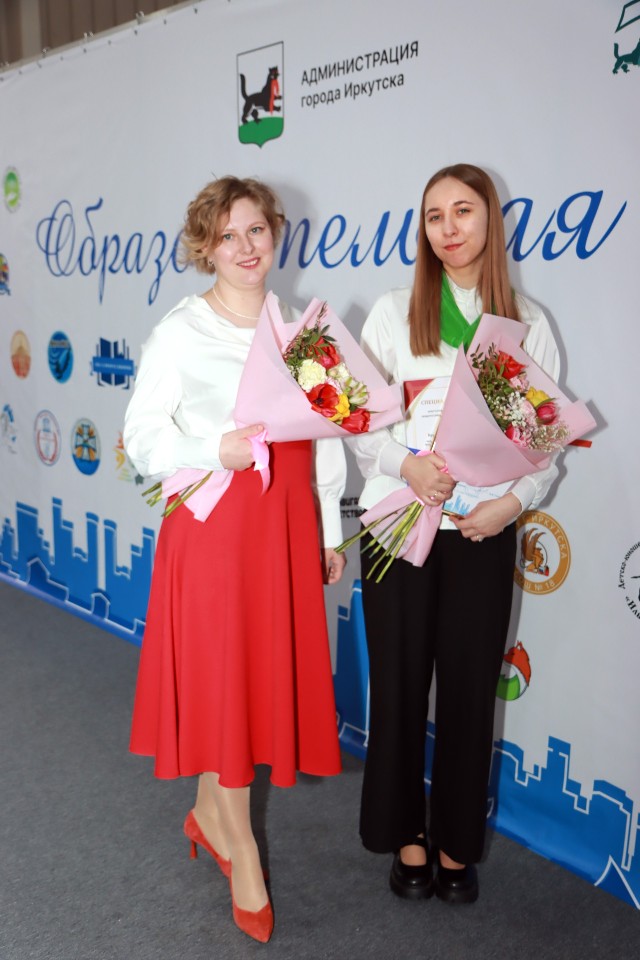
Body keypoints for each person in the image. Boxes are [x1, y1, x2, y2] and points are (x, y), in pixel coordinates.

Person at [123, 176, 346, 943]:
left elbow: (326, 433)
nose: (246, 247)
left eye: (256, 230)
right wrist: (211, 447)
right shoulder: (180, 331)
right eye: (228, 236)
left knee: (252, 679)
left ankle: (209, 814)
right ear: (205, 248)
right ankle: (241, 847)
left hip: (283, 528)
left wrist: (327, 532)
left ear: (275, 232)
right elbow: (143, 437)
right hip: (215, 527)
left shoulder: (303, 330)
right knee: (225, 682)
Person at [349, 163, 560, 904]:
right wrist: (404, 465)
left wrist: (514, 504)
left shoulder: (523, 325)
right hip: (399, 525)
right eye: (434, 216)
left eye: (463, 211)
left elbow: (542, 445)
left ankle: (456, 844)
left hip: (480, 529)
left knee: (470, 691)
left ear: (489, 220)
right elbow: (360, 421)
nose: (449, 228)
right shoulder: (394, 314)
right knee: (399, 687)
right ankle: (406, 835)